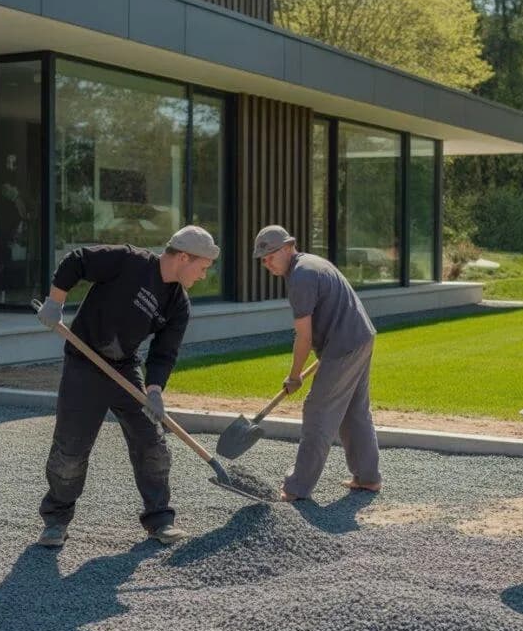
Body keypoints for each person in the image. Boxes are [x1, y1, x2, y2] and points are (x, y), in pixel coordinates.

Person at [33, 226, 219, 547]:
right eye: (202, 267)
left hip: (124, 368)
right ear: (184, 257)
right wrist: (55, 302)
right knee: (70, 450)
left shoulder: (178, 304)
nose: (203, 275)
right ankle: (56, 521)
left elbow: (164, 353)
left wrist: (155, 391)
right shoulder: (129, 261)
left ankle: (160, 518)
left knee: (153, 444)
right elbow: (76, 261)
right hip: (84, 364)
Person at [253, 225, 382, 501]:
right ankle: (368, 477)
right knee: (354, 410)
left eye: (270, 255)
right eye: (262, 259)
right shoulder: (311, 265)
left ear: (289, 247)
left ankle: (296, 487)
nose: (267, 263)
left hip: (345, 345)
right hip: (360, 337)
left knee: (318, 410)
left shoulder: (301, 276)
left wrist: (294, 375)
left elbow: (303, 336)